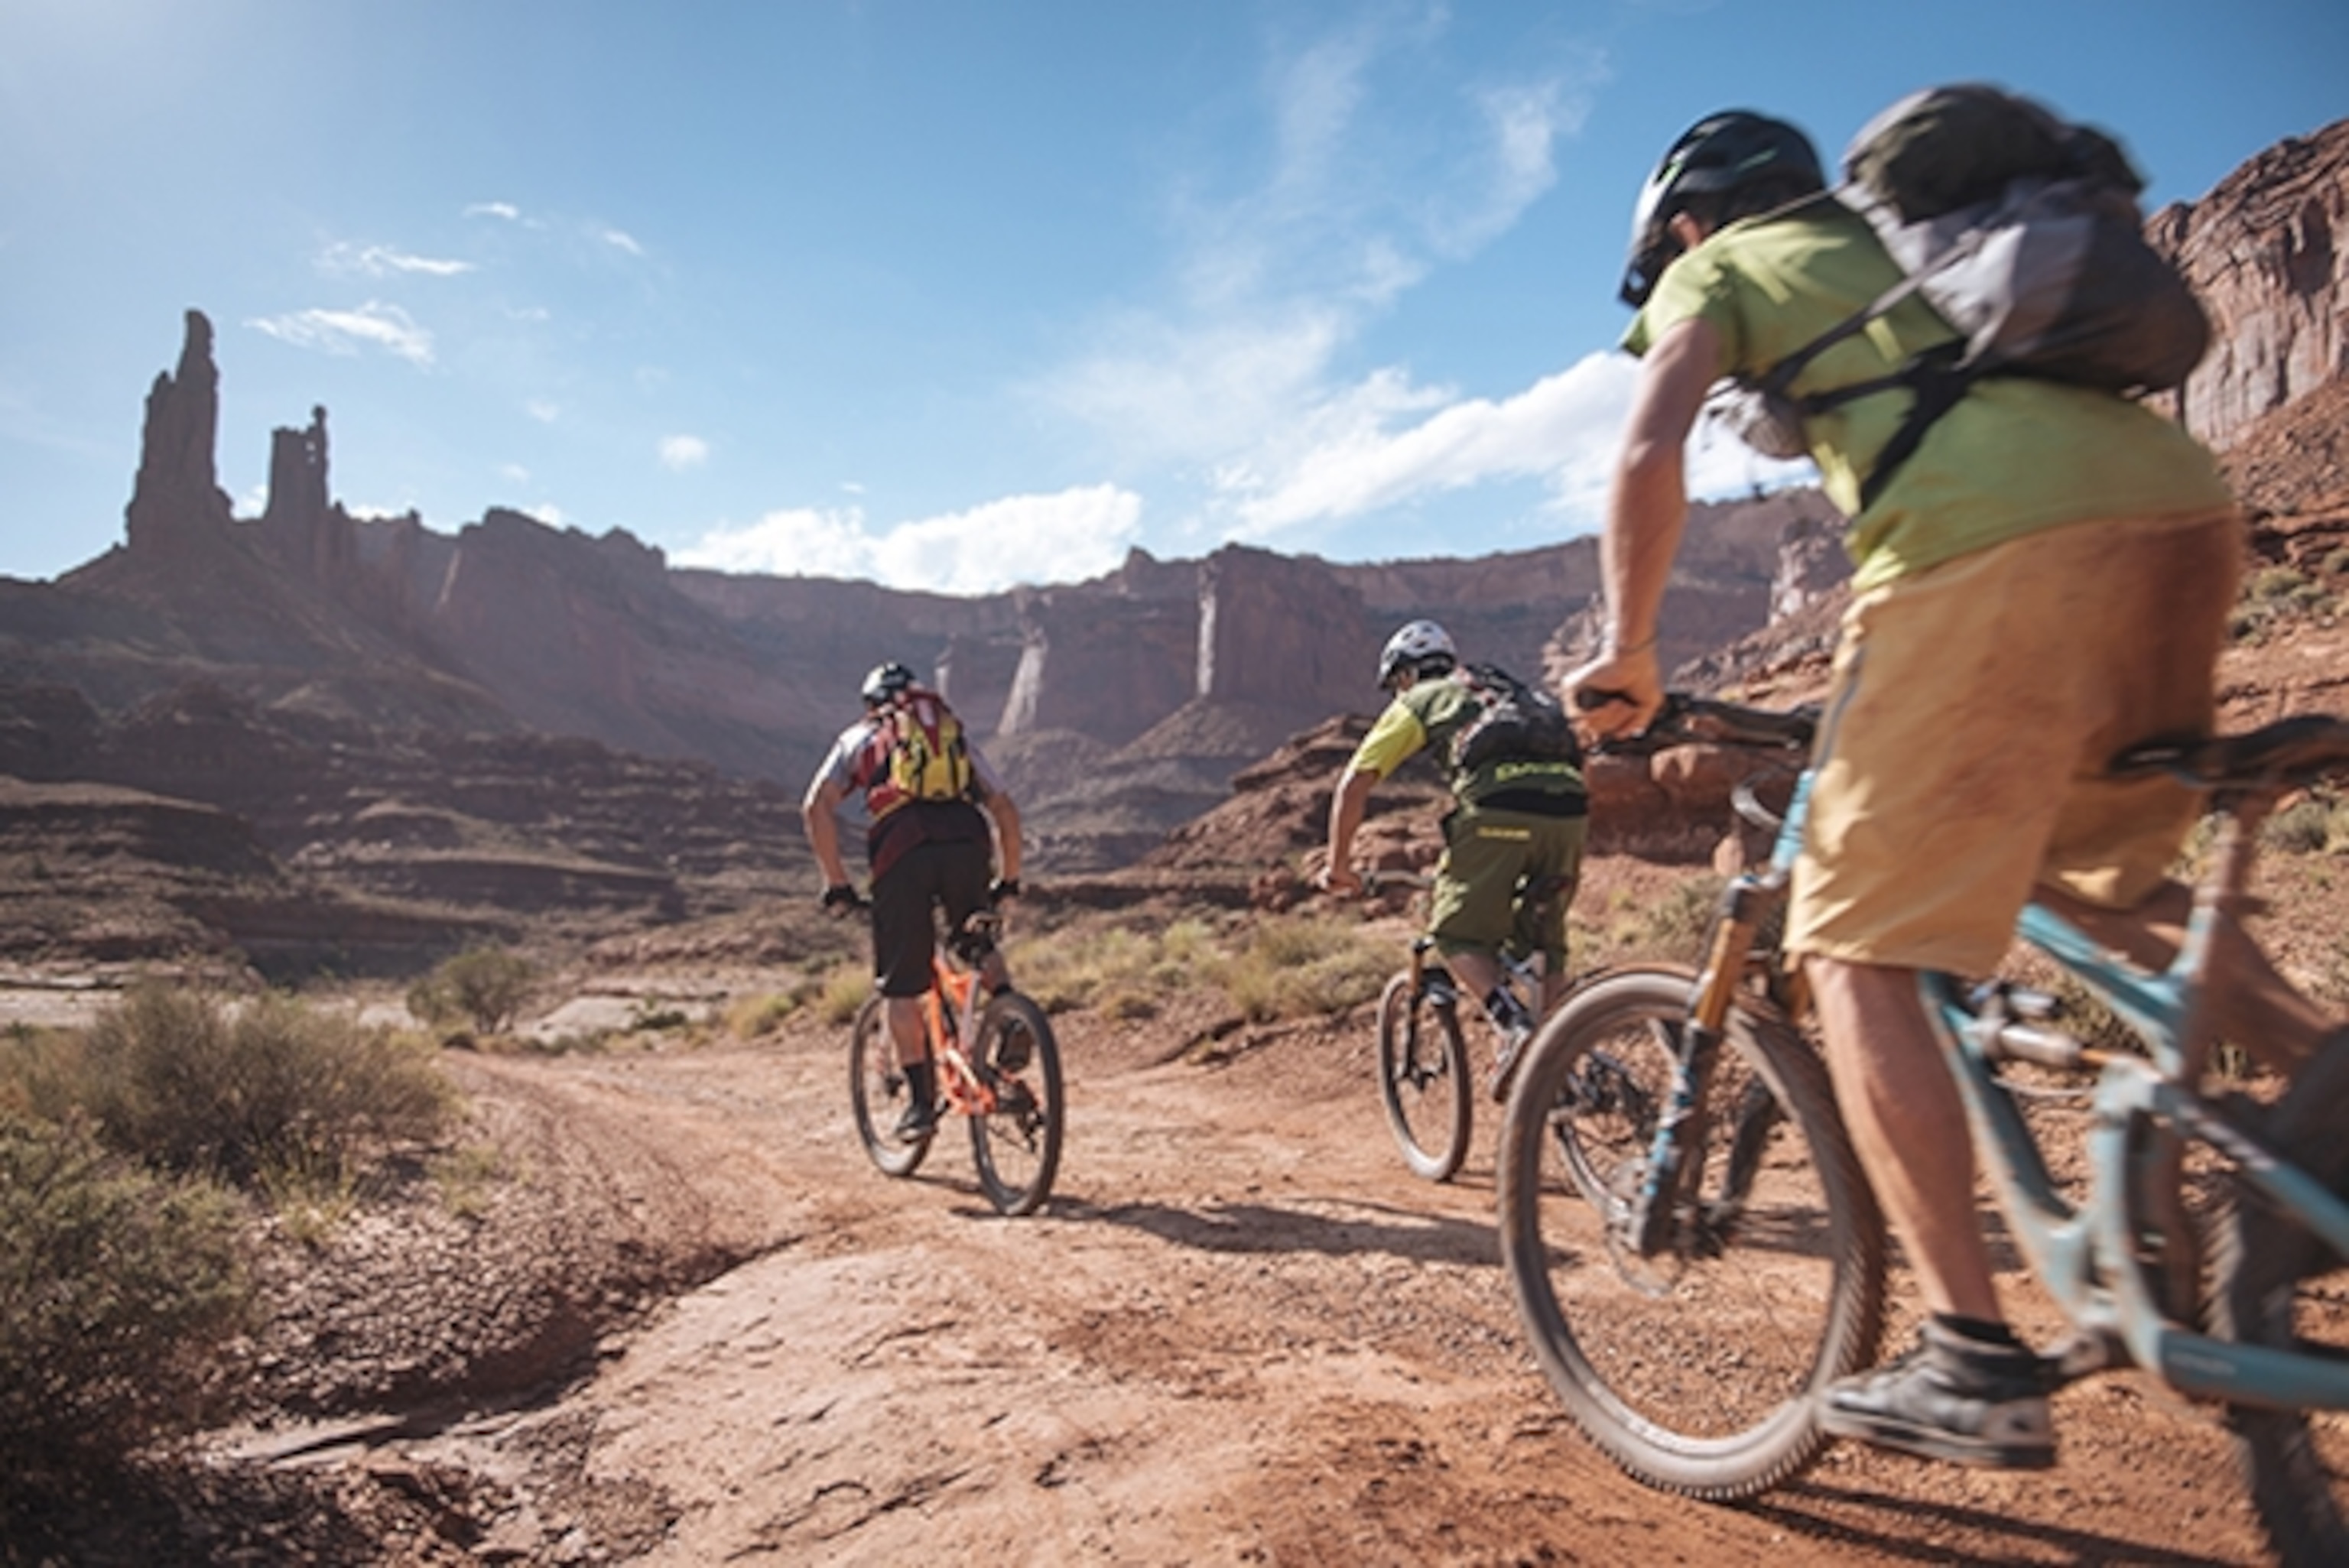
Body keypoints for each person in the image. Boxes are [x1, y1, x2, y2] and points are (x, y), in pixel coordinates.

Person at [1571, 109, 2334, 1471]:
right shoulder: (1921, 243)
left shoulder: (1724, 261)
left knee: (1853, 944)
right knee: (2101, 879)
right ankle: (2322, 1073)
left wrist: (1629, 652)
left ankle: (1972, 1360)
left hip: (1981, 555)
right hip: (2180, 510)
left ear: (1687, 222)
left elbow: (1649, 447)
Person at [1318, 619, 1589, 1097]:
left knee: (1454, 934)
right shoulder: (1502, 689)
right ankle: (1556, 1058)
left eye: (1395, 683)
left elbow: (1355, 784)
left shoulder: (1421, 699)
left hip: (1498, 811)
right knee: (1544, 941)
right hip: (1571, 811)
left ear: (1405, 675)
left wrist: (1338, 866)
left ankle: (1516, 1030)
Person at [802, 660, 1025, 1139]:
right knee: (975, 943)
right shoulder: (953, 736)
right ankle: (1009, 1014)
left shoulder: (860, 738)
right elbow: (1004, 807)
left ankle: (921, 1105)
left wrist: (837, 882)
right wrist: (1009, 879)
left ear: (870, 704)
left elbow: (815, 807)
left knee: (903, 986)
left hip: (902, 854)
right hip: (968, 844)